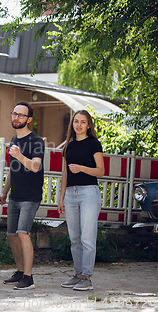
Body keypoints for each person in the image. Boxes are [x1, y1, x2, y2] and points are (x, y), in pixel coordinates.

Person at [0, 101, 44, 290]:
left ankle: (28, 277)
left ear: (29, 119)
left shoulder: (36, 141)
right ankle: (19, 271)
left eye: (20, 115)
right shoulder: (14, 140)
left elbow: (35, 166)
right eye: (14, 114)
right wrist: (4, 191)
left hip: (30, 197)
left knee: (23, 233)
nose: (16, 117)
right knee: (12, 235)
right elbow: (12, 170)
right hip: (15, 196)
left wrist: (19, 156)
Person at [57, 110, 104, 291]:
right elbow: (65, 174)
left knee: (87, 238)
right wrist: (61, 199)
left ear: (88, 125)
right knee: (75, 238)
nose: (78, 125)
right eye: (76, 121)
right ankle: (77, 275)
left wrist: (83, 168)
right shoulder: (68, 146)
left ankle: (87, 277)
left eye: (82, 122)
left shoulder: (94, 144)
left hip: (88, 193)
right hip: (70, 195)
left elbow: (100, 171)